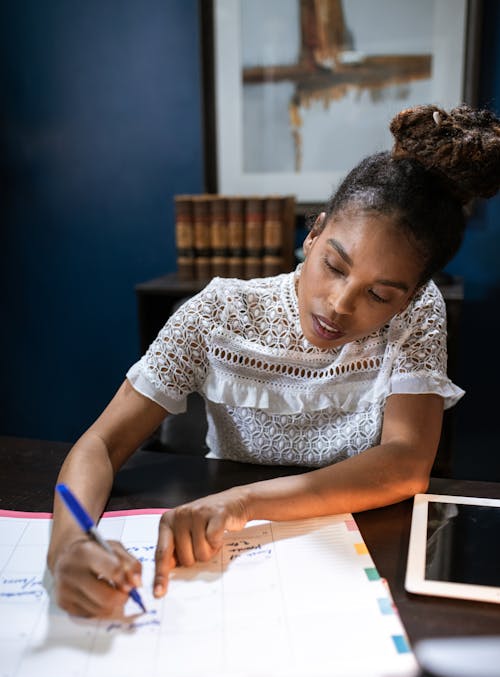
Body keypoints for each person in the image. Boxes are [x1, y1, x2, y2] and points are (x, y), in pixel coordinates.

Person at [47, 103, 500, 618]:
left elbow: (406, 464)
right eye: (333, 265)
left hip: (343, 556)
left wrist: (242, 502)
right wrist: (68, 544)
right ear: (313, 233)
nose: (340, 303)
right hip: (227, 563)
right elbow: (101, 444)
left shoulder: (419, 314)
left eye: (379, 295)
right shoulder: (219, 311)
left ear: (413, 294)